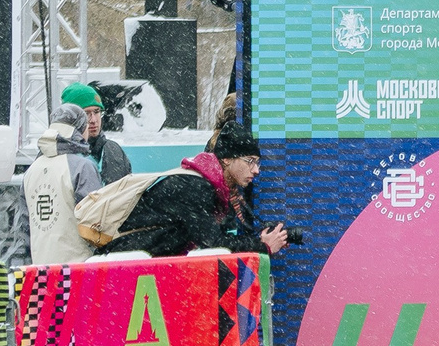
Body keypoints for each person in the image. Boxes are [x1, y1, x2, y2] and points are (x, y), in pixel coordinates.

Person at [97, 121, 291, 259]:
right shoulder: (194, 187)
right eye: (250, 161)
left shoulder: (212, 186)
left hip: (139, 261)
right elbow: (213, 242)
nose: (256, 170)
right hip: (126, 262)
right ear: (227, 159)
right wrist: (262, 246)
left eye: (257, 163)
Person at [24, 103, 103, 266]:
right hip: (79, 268)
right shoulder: (82, 166)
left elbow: (23, 227)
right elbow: (96, 221)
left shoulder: (31, 170)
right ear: (81, 131)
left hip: (41, 270)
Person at [60, 82, 133, 184]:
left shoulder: (114, 151)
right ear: (71, 118)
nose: (93, 120)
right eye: (86, 113)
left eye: (97, 111)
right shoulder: (56, 154)